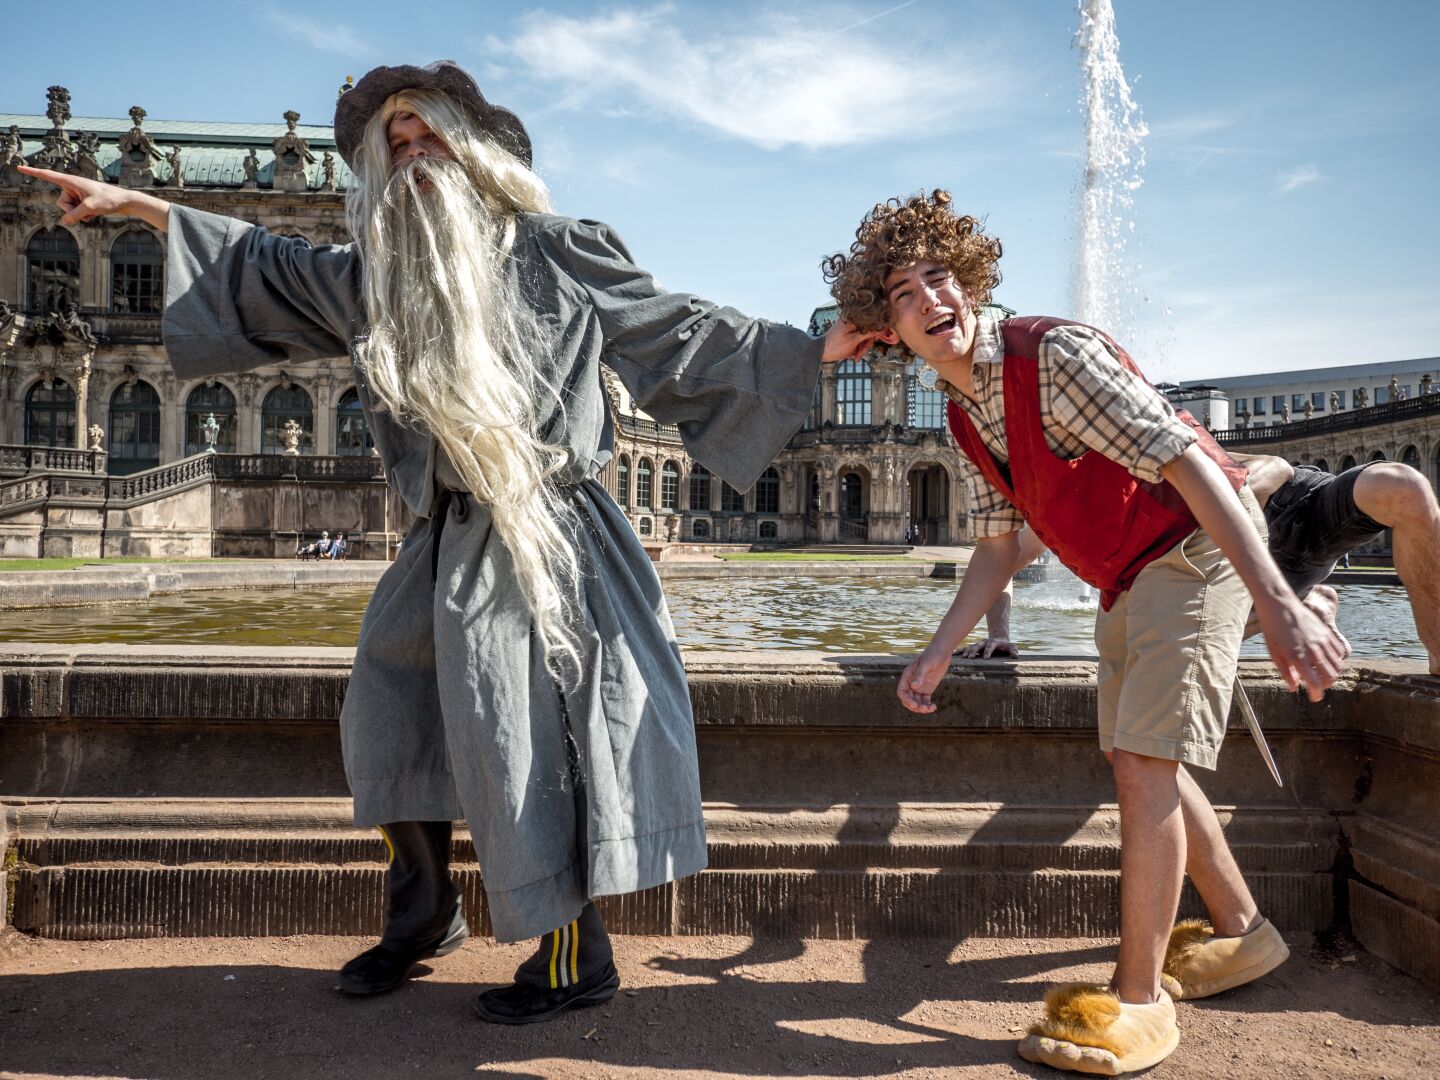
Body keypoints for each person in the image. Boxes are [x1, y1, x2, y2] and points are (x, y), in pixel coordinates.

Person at [22, 61, 865, 1025]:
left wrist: (820, 347)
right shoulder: (378, 277)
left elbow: (673, 328)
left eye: (430, 138)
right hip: (447, 533)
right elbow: (265, 264)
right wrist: (141, 204)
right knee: (388, 718)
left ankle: (570, 955)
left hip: (551, 534)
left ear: (475, 150)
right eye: (399, 146)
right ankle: (425, 915)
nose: (416, 158)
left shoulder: (558, 248)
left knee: (529, 737)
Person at [822, 190, 1345, 1075]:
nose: (930, 299)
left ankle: (1138, 1003)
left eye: (940, 277)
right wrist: (942, 645)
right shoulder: (962, 410)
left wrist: (1281, 601)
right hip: (1129, 571)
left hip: (1194, 548)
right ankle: (1246, 934)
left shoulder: (1050, 352)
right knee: (1138, 755)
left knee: (1145, 761)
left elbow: (1185, 457)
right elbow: (996, 544)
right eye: (903, 294)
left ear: (972, 281)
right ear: (887, 330)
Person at [965, 454, 1440, 677]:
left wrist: (1217, 514)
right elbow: (999, 564)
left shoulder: (1151, 453)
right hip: (1239, 583)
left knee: (1404, 486)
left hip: (1296, 514)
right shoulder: (1059, 517)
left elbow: (1273, 466)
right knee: (1142, 639)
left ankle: (1437, 656)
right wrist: (1001, 633)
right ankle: (1310, 600)